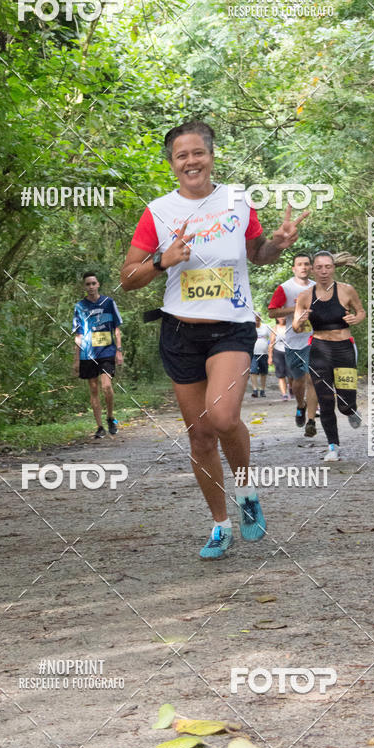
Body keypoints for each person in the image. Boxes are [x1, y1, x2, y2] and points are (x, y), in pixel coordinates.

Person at [120, 120, 308, 559]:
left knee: (223, 419)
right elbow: (128, 278)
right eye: (181, 156)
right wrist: (162, 261)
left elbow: (258, 254)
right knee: (201, 436)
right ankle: (220, 524)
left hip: (231, 327)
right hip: (180, 331)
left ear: (211, 155)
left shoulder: (237, 201)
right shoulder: (158, 212)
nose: (191, 161)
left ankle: (247, 491)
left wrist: (278, 244)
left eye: (197, 153)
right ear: (172, 164)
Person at [293, 251, 365, 461]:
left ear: (333, 268)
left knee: (345, 401)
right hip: (319, 349)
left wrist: (355, 318)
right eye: (319, 267)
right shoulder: (305, 296)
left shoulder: (346, 290)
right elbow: (297, 327)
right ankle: (333, 446)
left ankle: (350, 410)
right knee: (324, 400)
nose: (324, 271)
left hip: (344, 349)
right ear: (313, 270)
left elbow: (361, 312)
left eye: (328, 267)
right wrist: (301, 320)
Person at [267, 253, 319, 436]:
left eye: (307, 264)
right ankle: (301, 405)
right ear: (294, 268)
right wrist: (297, 309)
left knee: (313, 379)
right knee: (298, 382)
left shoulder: (318, 287)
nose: (303, 267)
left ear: (311, 268)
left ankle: (311, 421)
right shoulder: (285, 288)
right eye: (300, 264)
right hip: (294, 341)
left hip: (315, 339)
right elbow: (272, 313)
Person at [72, 272, 123, 438]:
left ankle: (110, 417)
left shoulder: (108, 303)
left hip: (107, 351)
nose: (91, 287)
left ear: (98, 284)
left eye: (93, 283)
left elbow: (116, 328)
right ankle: (100, 427)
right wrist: (76, 360)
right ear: (84, 287)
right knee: (93, 389)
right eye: (88, 284)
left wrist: (119, 350)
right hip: (88, 354)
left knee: (107, 386)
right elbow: (78, 335)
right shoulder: (80, 307)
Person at [268, 317, 293, 400]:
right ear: (277, 318)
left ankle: (291, 388)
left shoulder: (291, 326)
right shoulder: (275, 328)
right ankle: (284, 394)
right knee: (281, 374)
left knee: (291, 374)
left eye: (283, 316)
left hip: (289, 352)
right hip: (278, 352)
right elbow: (271, 343)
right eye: (280, 317)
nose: (282, 318)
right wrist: (270, 357)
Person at [250, 315, 270, 398]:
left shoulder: (266, 327)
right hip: (253, 353)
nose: (257, 322)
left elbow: (272, 337)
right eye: (255, 320)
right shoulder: (250, 327)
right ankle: (255, 390)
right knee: (253, 371)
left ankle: (262, 390)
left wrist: (269, 346)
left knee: (263, 372)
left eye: (258, 320)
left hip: (264, 353)